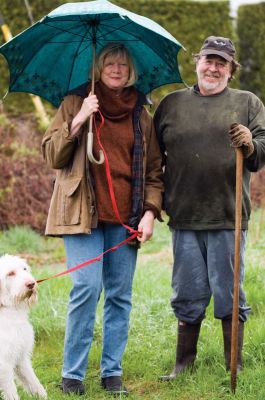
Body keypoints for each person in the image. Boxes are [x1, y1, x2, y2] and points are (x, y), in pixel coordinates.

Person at [42, 43, 163, 396]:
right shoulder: (74, 102)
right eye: (109, 62)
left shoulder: (142, 113)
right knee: (86, 288)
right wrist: (79, 119)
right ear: (98, 67)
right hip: (83, 215)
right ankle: (72, 375)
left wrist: (151, 213)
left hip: (126, 218)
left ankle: (112, 374)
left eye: (123, 64)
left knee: (120, 295)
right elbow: (52, 155)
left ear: (131, 71)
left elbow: (155, 171)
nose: (116, 68)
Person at [154, 36, 265, 379]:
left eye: (222, 63)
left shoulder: (247, 102)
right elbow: (153, 159)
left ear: (231, 71)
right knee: (186, 292)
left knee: (229, 292)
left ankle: (235, 362)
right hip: (184, 216)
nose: (213, 68)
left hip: (227, 215)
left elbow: (262, 149)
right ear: (197, 62)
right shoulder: (171, 104)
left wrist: (250, 143)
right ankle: (183, 364)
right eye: (209, 60)